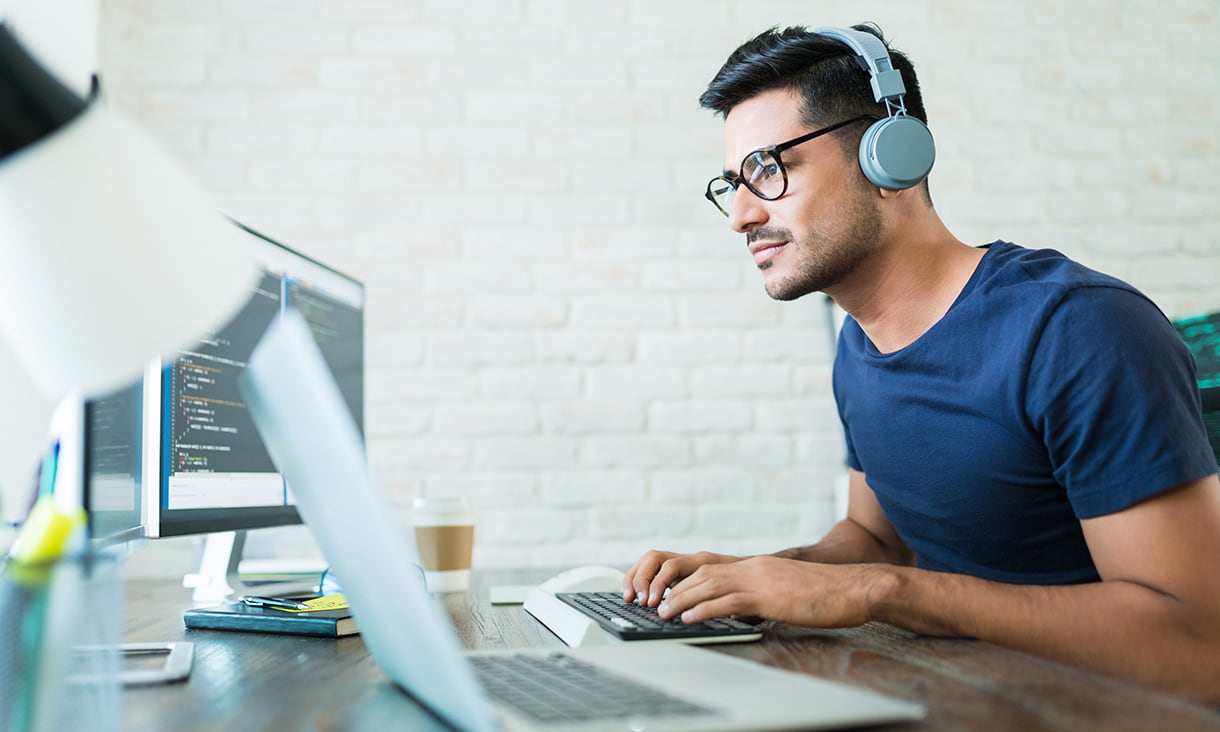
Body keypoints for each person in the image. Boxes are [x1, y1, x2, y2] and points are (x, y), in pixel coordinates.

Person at [623, 23, 1220, 703]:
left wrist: (883, 594)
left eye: (767, 169)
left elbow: (1199, 648)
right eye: (732, 183)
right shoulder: (859, 345)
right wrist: (749, 578)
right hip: (960, 697)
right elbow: (877, 541)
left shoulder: (1078, 330)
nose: (740, 215)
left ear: (890, 158)